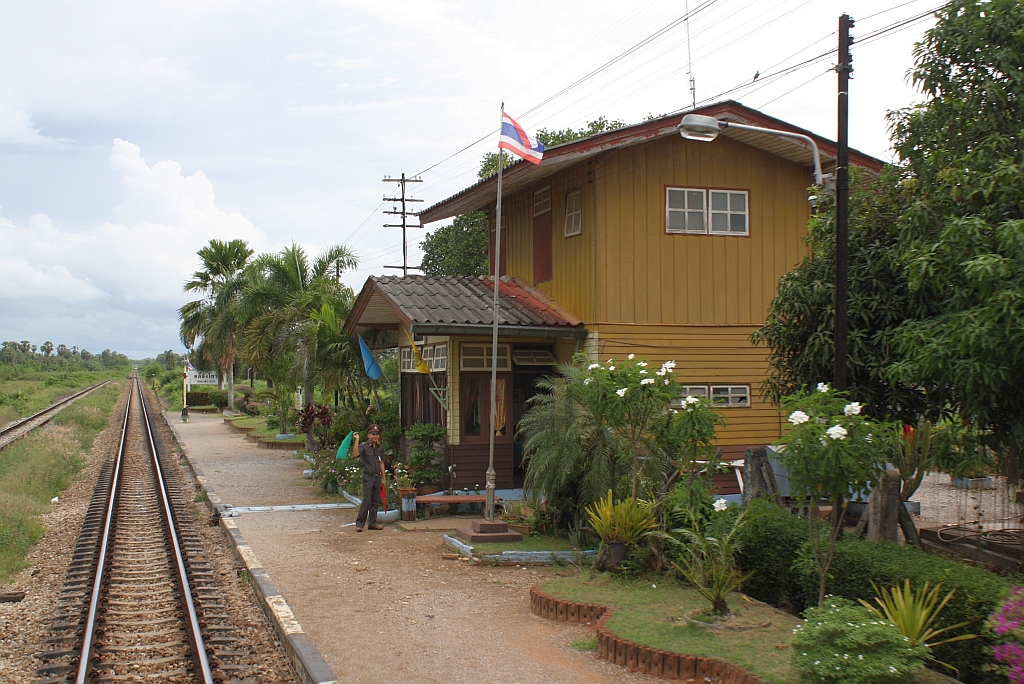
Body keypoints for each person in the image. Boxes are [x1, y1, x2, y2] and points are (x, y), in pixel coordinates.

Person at [354, 425, 386, 532]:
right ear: (368, 435)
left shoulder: (379, 447)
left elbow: (381, 462)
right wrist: (357, 440)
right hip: (368, 477)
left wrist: (383, 478)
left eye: (377, 434)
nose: (375, 436)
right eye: (373, 434)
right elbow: (355, 454)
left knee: (375, 501)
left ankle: (372, 523)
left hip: (377, 477)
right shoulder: (364, 446)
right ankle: (360, 524)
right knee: (366, 500)